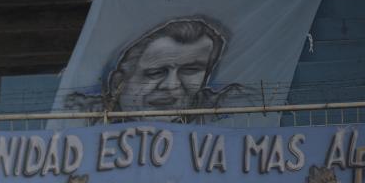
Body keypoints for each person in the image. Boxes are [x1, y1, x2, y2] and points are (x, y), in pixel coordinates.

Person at [65, 17, 244, 122]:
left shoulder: (225, 107)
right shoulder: (77, 115)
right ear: (118, 82)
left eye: (190, 70)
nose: (172, 86)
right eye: (155, 72)